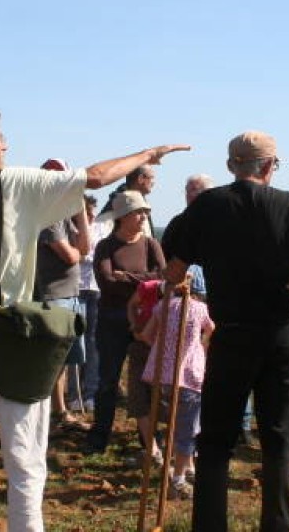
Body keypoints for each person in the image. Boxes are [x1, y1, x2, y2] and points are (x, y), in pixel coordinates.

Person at [0, 106, 189, 532]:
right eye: (1, 140)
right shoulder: (14, 182)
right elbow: (94, 177)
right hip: (13, 332)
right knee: (25, 459)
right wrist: (148, 153)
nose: (7, 146)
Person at [161, 130, 289, 532]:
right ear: (271, 166)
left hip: (232, 334)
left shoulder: (207, 205)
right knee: (277, 437)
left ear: (230, 167)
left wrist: (177, 279)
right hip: (280, 334)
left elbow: (172, 269)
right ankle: (277, 525)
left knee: (216, 441)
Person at [83, 191, 165, 459]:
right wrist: (143, 282)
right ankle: (99, 435)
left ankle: (151, 440)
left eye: (145, 212)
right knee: (108, 380)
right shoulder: (106, 247)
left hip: (145, 323)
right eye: (138, 212)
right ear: (122, 217)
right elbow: (107, 282)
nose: (143, 217)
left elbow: (162, 280)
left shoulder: (151, 244)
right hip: (112, 321)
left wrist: (128, 278)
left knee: (149, 381)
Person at [139, 275, 213, 499]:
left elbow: (146, 335)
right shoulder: (200, 309)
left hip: (163, 376)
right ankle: (178, 478)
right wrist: (201, 345)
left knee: (171, 422)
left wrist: (162, 347)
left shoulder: (163, 306)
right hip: (189, 375)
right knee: (187, 428)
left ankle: (181, 467)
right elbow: (211, 329)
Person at [34, 158, 91, 431]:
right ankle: (52, 414)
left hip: (69, 294)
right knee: (51, 360)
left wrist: (79, 209)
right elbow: (71, 256)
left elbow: (85, 247)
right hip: (53, 295)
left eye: (60, 174)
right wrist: (77, 252)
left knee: (64, 359)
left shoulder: (64, 213)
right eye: (50, 173)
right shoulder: (48, 215)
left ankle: (60, 412)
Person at [74, 194, 108, 412]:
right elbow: (82, 254)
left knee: (93, 341)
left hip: (95, 289)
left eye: (93, 212)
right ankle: (73, 394)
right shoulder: (71, 228)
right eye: (87, 212)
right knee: (74, 343)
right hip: (75, 289)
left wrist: (84, 253)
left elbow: (96, 255)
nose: (91, 216)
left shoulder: (102, 229)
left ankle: (90, 393)